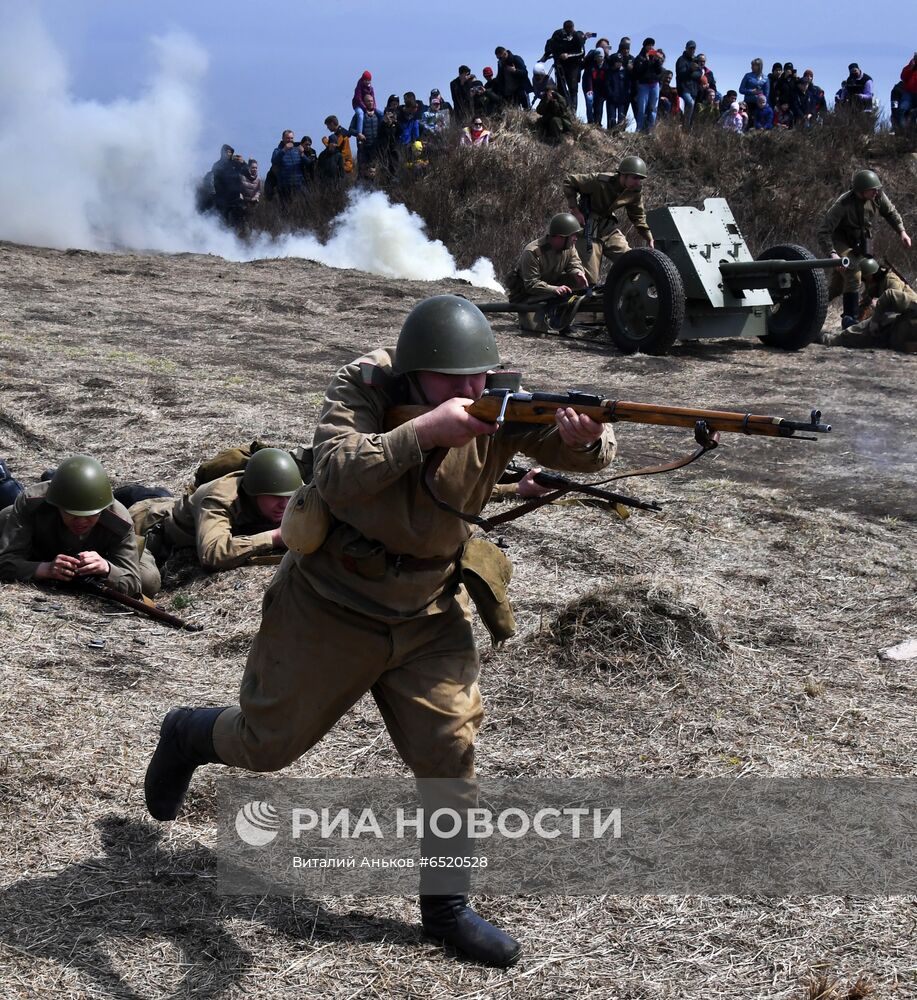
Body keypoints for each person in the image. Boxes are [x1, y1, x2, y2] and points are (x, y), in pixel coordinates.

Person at [143, 295, 616, 968]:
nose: (472, 391)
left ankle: (445, 909)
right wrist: (424, 433)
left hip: (427, 609)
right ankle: (187, 733)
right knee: (266, 746)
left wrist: (584, 439)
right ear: (418, 374)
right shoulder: (362, 387)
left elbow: (582, 452)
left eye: (479, 376)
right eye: (454, 381)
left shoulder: (498, 404)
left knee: (450, 750)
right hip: (330, 604)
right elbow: (332, 472)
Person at [0, 455, 160, 598]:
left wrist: (107, 568)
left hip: (108, 555)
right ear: (57, 506)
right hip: (40, 549)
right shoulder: (31, 504)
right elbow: (5, 563)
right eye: (73, 515)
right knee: (5, 516)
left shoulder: (119, 520)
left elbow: (133, 583)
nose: (81, 522)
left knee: (148, 581)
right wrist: (45, 569)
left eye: (90, 515)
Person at [129, 448, 303, 572]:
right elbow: (212, 554)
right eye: (276, 498)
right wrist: (273, 537)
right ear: (253, 493)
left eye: (290, 497)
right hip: (146, 523)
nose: (285, 504)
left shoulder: (289, 486)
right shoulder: (219, 498)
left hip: (176, 505)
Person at [817, 169, 912, 328]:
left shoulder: (878, 197)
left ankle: (813, 304)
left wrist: (902, 232)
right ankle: (849, 319)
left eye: (877, 189)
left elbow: (891, 213)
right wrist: (833, 254)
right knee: (854, 271)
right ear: (861, 191)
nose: (876, 192)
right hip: (842, 242)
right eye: (872, 189)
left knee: (839, 285)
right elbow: (823, 232)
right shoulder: (843, 204)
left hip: (861, 241)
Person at [563, 155, 654, 285]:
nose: (638, 182)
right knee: (588, 279)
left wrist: (648, 237)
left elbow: (637, 216)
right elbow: (569, 181)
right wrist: (575, 211)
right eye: (635, 178)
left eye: (640, 179)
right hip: (588, 225)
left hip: (607, 226)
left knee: (631, 261)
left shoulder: (634, 191)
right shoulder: (600, 181)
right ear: (623, 175)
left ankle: (625, 295)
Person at [505, 213, 588, 332]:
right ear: (560, 237)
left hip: (551, 290)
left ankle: (561, 319)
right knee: (537, 332)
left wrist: (577, 272)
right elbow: (531, 285)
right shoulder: (532, 252)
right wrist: (554, 289)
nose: (575, 238)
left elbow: (574, 263)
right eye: (573, 235)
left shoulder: (569, 246)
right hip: (529, 296)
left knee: (575, 279)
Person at [822, 259, 917, 351]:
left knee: (867, 330)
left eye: (865, 278)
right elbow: (865, 303)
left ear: (870, 275)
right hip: (895, 320)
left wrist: (876, 314)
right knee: (853, 324)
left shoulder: (891, 281)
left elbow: (893, 300)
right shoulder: (873, 285)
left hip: (899, 315)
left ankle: (830, 339)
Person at [543, 20, 587, 113]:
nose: (568, 31)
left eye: (570, 29)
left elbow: (582, 52)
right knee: (561, 87)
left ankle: (572, 111)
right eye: (567, 29)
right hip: (560, 65)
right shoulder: (558, 34)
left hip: (573, 66)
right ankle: (562, 108)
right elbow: (550, 44)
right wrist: (547, 55)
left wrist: (568, 55)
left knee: (573, 88)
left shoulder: (577, 36)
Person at [632, 39, 664, 132]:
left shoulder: (654, 57)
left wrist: (658, 60)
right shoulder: (639, 58)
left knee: (653, 108)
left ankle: (651, 129)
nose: (651, 47)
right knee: (642, 108)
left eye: (652, 45)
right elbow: (637, 73)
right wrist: (646, 61)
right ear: (645, 46)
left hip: (654, 85)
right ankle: (639, 128)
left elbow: (659, 71)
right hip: (643, 85)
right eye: (649, 45)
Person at [348, 94, 384, 176]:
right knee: (362, 171)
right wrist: (358, 134)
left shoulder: (378, 115)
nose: (370, 103)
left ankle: (375, 188)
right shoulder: (359, 115)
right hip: (363, 148)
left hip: (375, 149)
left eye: (372, 101)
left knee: (375, 172)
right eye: (368, 101)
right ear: (364, 102)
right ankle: (360, 188)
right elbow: (350, 130)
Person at [270, 130, 308, 204]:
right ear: (283, 139)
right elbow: (274, 161)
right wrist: (284, 150)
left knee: (300, 209)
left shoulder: (297, 150)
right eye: (287, 138)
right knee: (286, 211)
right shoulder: (277, 150)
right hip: (284, 187)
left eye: (291, 138)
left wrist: (302, 154)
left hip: (299, 186)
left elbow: (308, 164)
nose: (290, 140)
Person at [675, 40, 701, 127]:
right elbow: (681, 74)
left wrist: (691, 73)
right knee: (690, 103)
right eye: (690, 48)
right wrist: (691, 70)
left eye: (693, 48)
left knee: (690, 108)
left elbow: (699, 73)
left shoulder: (696, 60)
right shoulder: (681, 60)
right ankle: (686, 126)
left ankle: (687, 126)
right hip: (684, 89)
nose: (692, 50)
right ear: (686, 48)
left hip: (694, 89)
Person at [582, 47, 608, 126]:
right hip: (591, 88)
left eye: (600, 57)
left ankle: (598, 122)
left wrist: (605, 92)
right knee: (589, 100)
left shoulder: (606, 66)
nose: (599, 59)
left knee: (599, 105)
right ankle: (590, 120)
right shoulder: (591, 66)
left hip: (601, 89)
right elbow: (589, 78)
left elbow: (607, 80)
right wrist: (590, 90)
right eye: (597, 57)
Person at [894, 53, 917, 130]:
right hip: (909, 93)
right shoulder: (911, 65)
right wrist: (911, 67)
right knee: (902, 109)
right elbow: (903, 77)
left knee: (913, 113)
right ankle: (902, 131)